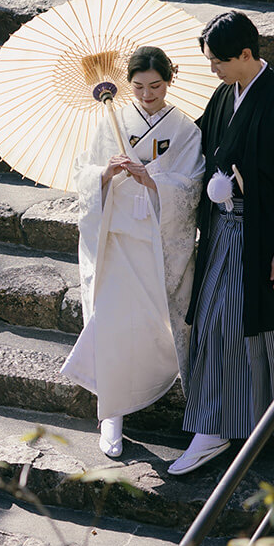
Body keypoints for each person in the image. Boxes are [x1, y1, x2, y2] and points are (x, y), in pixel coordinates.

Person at [169, 11, 274, 475]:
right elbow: (197, 145)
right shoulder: (225, 96)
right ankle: (220, 420)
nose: (213, 70)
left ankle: (226, 424)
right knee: (219, 321)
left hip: (267, 237)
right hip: (225, 230)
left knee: (231, 320)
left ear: (245, 54)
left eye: (218, 61)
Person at [61, 46, 205, 457]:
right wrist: (104, 174)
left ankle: (187, 404)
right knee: (109, 323)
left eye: (156, 86)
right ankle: (111, 413)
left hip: (156, 243)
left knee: (157, 326)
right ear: (128, 84)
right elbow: (83, 171)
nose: (147, 95)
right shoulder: (112, 120)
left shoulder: (185, 129)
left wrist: (153, 179)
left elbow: (192, 185)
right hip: (116, 238)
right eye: (139, 87)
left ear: (169, 80)